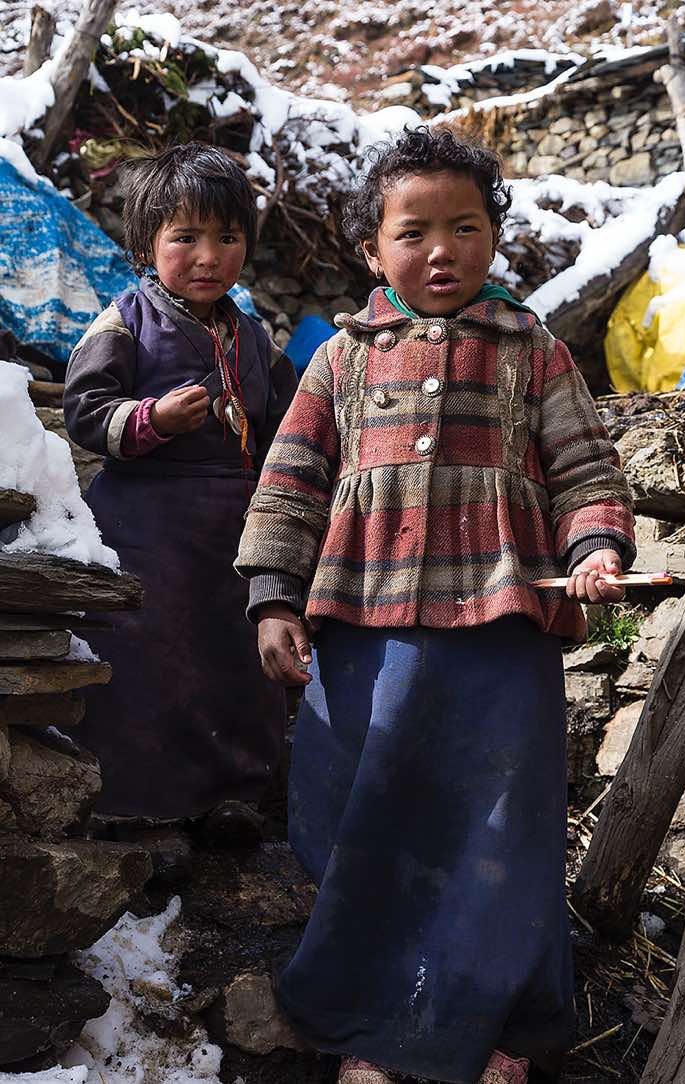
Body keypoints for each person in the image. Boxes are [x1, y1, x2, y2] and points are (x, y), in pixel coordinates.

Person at [235, 127, 635, 1084]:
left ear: (495, 239)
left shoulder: (532, 353)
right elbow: (289, 485)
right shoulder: (340, 362)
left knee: (498, 824)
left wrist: (594, 544)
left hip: (500, 637)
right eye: (412, 233)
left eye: (464, 227)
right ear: (373, 252)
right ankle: (371, 1026)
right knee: (357, 816)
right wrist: (271, 599)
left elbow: (585, 468)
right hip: (363, 637)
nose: (440, 250)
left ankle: (491, 1021)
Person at [63, 143, 296, 841]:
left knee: (234, 659)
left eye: (227, 238)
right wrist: (150, 418)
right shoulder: (124, 321)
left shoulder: (251, 336)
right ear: (146, 244)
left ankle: (232, 795)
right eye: (185, 237)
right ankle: (136, 804)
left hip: (234, 531)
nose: (209, 256)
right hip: (145, 526)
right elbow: (84, 413)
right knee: (146, 660)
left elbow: (289, 425)